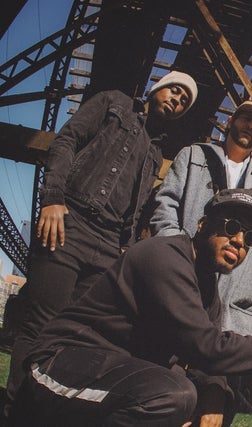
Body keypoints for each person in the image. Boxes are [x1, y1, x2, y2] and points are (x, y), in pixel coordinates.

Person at [11, 188, 252, 427]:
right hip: (57, 367)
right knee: (173, 396)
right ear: (202, 225)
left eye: (249, 238)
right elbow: (210, 348)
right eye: (231, 226)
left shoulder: (206, 285)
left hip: (110, 374)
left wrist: (215, 397)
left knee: (214, 400)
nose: (239, 240)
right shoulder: (164, 257)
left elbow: (209, 363)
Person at [5, 70, 199, 415]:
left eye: (184, 101)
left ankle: (51, 414)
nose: (177, 100)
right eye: (174, 91)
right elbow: (66, 140)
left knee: (76, 337)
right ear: (156, 88)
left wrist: (126, 249)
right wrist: (52, 198)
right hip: (71, 223)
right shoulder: (114, 103)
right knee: (41, 325)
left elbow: (138, 210)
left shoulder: (156, 152)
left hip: (109, 247)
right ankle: (15, 412)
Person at [149, 100, 252, 337]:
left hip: (238, 300)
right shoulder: (194, 154)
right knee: (169, 349)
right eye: (246, 119)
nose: (251, 127)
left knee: (224, 357)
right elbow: (166, 204)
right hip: (183, 278)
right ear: (231, 121)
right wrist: (176, 253)